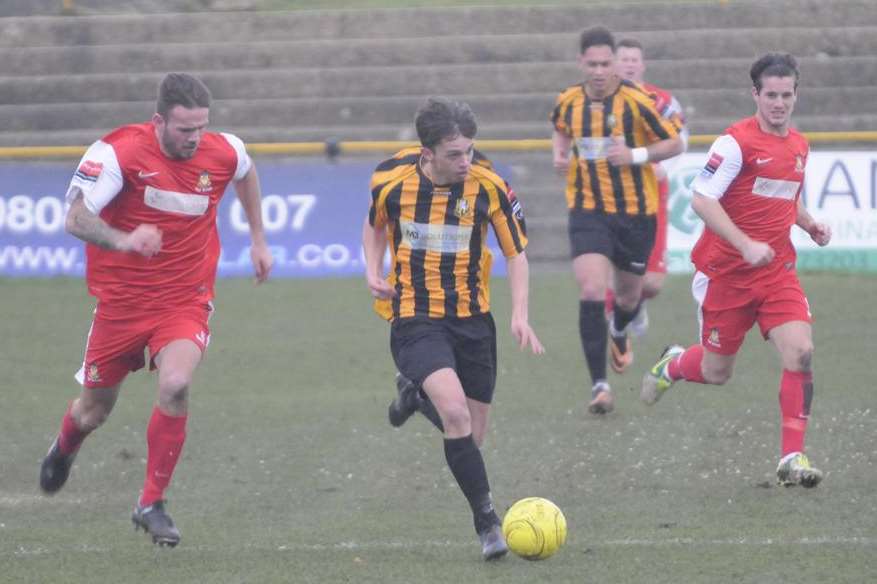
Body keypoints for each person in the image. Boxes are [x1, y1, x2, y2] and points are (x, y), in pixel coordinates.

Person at [39, 73, 273, 546]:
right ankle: (65, 445)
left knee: (176, 383)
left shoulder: (223, 150)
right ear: (159, 121)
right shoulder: (117, 153)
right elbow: (75, 218)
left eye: (201, 128)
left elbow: (245, 172)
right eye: (185, 129)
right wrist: (125, 240)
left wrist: (258, 237)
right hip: (121, 304)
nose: (195, 139)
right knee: (93, 412)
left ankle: (151, 502)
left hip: (184, 299)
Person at [363, 97, 544, 560]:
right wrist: (372, 269)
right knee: (457, 416)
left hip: (473, 321)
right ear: (427, 155)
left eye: (469, 150)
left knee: (470, 435)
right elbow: (374, 225)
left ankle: (413, 397)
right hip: (415, 318)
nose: (466, 161)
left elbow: (516, 253)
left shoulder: (489, 186)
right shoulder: (390, 181)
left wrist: (519, 313)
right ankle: (488, 525)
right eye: (454, 154)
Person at [641, 53, 831, 488]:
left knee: (801, 351)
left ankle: (791, 457)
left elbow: (788, 197)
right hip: (726, 273)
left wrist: (810, 223)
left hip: (777, 270)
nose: (779, 103)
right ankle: (672, 365)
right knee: (715, 372)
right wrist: (744, 245)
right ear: (755, 95)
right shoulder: (735, 143)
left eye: (786, 95)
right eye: (771, 95)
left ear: (795, 95)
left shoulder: (800, 146)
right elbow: (702, 199)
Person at [551, 26, 683, 415]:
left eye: (605, 63)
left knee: (629, 296)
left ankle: (619, 329)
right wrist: (560, 155)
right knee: (591, 288)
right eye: (591, 64)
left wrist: (637, 155)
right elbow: (560, 129)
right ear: (581, 63)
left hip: (635, 214)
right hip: (587, 210)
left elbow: (675, 142)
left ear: (614, 63)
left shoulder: (638, 102)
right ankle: (599, 386)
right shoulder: (568, 101)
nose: (598, 70)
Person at [611, 37, 689, 337]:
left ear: (643, 65)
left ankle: (635, 304)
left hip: (652, 192)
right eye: (624, 59)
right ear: (614, 63)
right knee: (613, 271)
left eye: (634, 59)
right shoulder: (603, 100)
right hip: (613, 194)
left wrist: (658, 167)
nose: (629, 64)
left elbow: (680, 139)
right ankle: (618, 318)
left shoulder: (662, 101)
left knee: (652, 282)